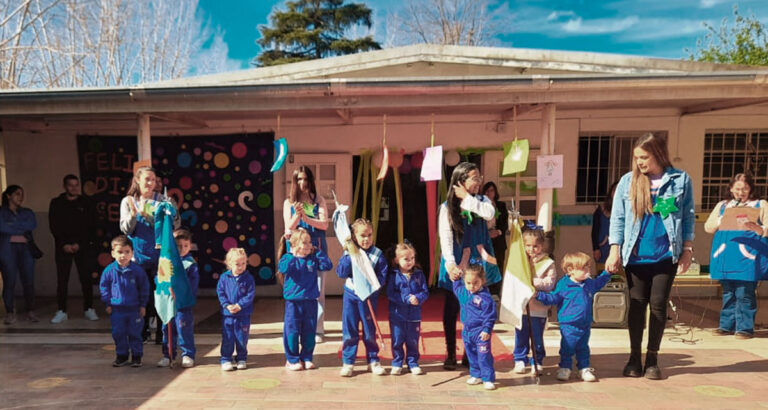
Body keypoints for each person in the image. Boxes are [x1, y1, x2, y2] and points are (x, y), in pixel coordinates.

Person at [605, 132, 694, 380]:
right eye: (637, 158)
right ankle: (634, 357)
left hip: (666, 256)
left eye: (644, 157)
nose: (640, 163)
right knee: (636, 306)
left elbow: (686, 216)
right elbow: (618, 218)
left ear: (657, 154)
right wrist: (615, 249)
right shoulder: (627, 182)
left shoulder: (680, 179)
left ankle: (652, 358)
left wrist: (687, 249)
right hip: (635, 256)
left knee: (657, 306)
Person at [438, 162, 501, 370]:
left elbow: (489, 214)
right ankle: (450, 353)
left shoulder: (482, 201)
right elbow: (445, 237)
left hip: (479, 258)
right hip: (457, 258)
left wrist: (468, 198)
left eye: (479, 177)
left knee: (478, 306)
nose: (479, 181)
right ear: (461, 181)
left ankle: (470, 353)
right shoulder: (447, 207)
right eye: (474, 178)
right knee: (453, 306)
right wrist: (450, 263)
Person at [704, 173, 768, 339]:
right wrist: (721, 219)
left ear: (751, 189)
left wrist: (760, 230)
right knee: (728, 292)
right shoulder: (723, 205)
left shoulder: (760, 204)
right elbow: (708, 227)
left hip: (748, 257)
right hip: (726, 255)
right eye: (738, 188)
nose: (741, 192)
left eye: (745, 188)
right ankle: (726, 326)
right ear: (731, 189)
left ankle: (745, 328)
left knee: (745, 292)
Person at [120, 166, 178, 343]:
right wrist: (134, 215)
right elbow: (125, 229)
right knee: (140, 296)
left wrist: (170, 211)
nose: (151, 183)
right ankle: (142, 331)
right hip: (138, 257)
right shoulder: (128, 201)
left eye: (153, 180)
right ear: (138, 180)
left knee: (161, 295)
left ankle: (162, 334)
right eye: (147, 179)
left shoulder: (163, 200)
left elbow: (175, 224)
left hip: (160, 258)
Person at [536, 252, 611, 382]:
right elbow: (553, 298)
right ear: (571, 270)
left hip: (585, 323)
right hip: (568, 323)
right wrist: (539, 295)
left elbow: (599, 283)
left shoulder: (589, 283)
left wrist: (607, 273)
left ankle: (584, 368)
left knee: (583, 347)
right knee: (568, 346)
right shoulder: (564, 285)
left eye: (588, 267)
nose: (588, 271)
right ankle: (565, 367)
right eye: (584, 268)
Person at [283, 166, 330, 344]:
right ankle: (297, 327)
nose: (303, 183)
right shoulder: (289, 202)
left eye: (306, 179)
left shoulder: (319, 200)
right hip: (296, 253)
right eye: (299, 179)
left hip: (315, 249)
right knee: (296, 290)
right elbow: (288, 228)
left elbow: (324, 224)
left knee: (318, 290)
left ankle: (317, 329)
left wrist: (306, 218)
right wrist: (297, 216)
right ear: (295, 182)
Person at [336, 218, 388, 377]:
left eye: (369, 235)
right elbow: (341, 272)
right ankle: (348, 361)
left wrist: (372, 286)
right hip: (351, 295)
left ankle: (373, 360)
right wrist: (347, 255)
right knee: (350, 329)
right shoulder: (350, 252)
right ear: (354, 236)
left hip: (368, 297)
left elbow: (382, 276)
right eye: (362, 235)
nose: (366, 239)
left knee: (368, 330)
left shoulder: (377, 254)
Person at [278, 228, 333, 371]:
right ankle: (292, 359)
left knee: (309, 331)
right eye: (305, 242)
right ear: (294, 245)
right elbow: (282, 268)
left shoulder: (313, 258)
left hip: (310, 301)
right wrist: (292, 254)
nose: (309, 245)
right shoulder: (288, 258)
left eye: (310, 242)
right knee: (292, 331)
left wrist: (318, 252)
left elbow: (327, 265)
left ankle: (307, 357)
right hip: (293, 303)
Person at [49, 174, 99, 324]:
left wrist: (80, 244)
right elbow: (54, 225)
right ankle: (62, 310)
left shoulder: (86, 203)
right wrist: (64, 244)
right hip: (62, 247)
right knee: (62, 280)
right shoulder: (56, 203)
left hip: (82, 247)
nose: (74, 188)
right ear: (65, 186)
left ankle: (89, 308)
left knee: (86, 279)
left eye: (76, 185)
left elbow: (90, 226)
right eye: (71, 185)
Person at [512, 226, 557, 374]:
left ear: (542, 245)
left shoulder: (548, 262)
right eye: (528, 246)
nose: (532, 249)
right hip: (522, 307)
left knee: (536, 336)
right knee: (520, 335)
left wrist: (533, 283)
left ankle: (537, 360)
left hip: (538, 308)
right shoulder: (520, 261)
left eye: (535, 246)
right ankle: (519, 358)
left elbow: (550, 283)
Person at [99, 235, 149, 367]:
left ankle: (137, 356)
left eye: (127, 252)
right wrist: (108, 303)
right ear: (113, 253)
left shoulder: (137, 271)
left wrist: (143, 305)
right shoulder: (109, 271)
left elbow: (144, 288)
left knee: (135, 333)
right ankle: (122, 356)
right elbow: (104, 287)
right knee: (118, 333)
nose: (123, 256)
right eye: (120, 252)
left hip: (134, 310)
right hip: (117, 310)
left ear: (132, 253)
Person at [156, 228, 199, 368]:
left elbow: (192, 285)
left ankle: (187, 354)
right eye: (178, 246)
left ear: (190, 245)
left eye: (185, 246)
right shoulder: (166, 261)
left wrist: (181, 294)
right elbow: (159, 278)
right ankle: (168, 354)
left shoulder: (190, 264)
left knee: (184, 329)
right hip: (168, 303)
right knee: (167, 329)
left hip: (183, 305)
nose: (182, 249)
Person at [451, 264, 497, 390]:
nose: (472, 286)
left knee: (483, 355)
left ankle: (487, 378)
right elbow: (456, 287)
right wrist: (456, 278)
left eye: (475, 283)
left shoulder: (485, 298)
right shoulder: (463, 293)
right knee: (471, 354)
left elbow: (490, 315)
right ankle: (476, 374)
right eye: (468, 283)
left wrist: (487, 329)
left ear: (482, 280)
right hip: (467, 331)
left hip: (480, 332)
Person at [387, 242, 428, 376]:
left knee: (413, 340)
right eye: (406, 259)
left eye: (412, 258)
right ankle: (397, 362)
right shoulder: (394, 275)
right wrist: (404, 299)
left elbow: (424, 292)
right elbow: (390, 294)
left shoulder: (419, 274)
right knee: (397, 339)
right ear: (397, 260)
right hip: (397, 315)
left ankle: (413, 362)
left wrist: (418, 298)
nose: (410, 262)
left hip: (414, 315)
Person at [0, 185, 38, 324]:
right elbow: (2, 227)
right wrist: (18, 227)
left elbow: (31, 225)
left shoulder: (27, 212)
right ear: (9, 196)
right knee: (9, 280)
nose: (20, 197)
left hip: (25, 249)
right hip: (7, 249)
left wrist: (12, 226)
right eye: (17, 194)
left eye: (22, 194)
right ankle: (10, 312)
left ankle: (30, 311)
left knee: (28, 280)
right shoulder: (2, 212)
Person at [217, 247, 255, 371]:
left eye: (243, 263)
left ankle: (242, 358)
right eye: (237, 264)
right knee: (227, 337)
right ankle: (226, 359)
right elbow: (220, 292)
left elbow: (250, 294)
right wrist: (227, 305)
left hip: (243, 314)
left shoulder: (248, 278)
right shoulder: (224, 278)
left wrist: (240, 305)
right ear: (229, 264)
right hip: (228, 315)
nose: (241, 267)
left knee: (242, 337)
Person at [482, 181, 509, 295]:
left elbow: (504, 223)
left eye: (491, 190)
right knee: (486, 265)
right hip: (485, 239)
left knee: (498, 265)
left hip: (498, 240)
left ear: (495, 192)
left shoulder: (501, 205)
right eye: (487, 191)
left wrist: (497, 232)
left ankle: (497, 292)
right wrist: (487, 233)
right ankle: (485, 291)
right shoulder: (480, 205)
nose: (489, 193)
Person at [591, 181, 619, 272]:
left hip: (620, 248)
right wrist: (596, 248)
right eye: (615, 190)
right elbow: (595, 230)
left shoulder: (629, 209)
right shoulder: (601, 209)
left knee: (619, 278)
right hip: (603, 248)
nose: (617, 193)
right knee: (603, 276)